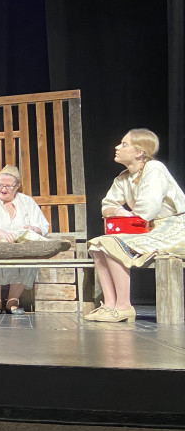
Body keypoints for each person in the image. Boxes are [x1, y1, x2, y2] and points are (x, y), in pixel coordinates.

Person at [84, 128, 185, 323]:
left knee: (113, 243)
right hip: (150, 229)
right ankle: (110, 304)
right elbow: (107, 205)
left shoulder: (154, 169)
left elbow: (147, 210)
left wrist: (124, 213)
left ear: (139, 152)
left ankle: (123, 306)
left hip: (175, 229)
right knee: (97, 245)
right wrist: (119, 211)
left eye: (124, 144)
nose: (117, 147)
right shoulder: (123, 177)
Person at [0, 165, 50, 314]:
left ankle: (13, 301)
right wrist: (1, 234)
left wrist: (34, 229)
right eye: (0, 185)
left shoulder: (27, 202)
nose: (3, 189)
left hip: (19, 245)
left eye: (8, 186)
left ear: (17, 186)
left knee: (30, 254)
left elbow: (43, 225)